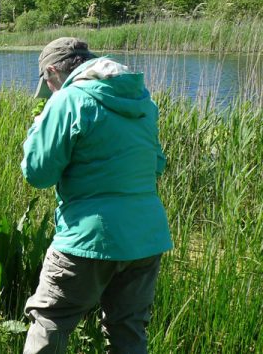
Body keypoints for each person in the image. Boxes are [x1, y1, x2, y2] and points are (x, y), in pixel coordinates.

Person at [20, 37, 172, 354]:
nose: (50, 92)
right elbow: (157, 164)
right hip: (146, 237)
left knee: (51, 321)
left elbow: (38, 174)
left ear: (52, 71)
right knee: (127, 328)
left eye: (48, 84)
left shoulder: (67, 100)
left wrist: (38, 129)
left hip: (88, 237)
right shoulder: (143, 101)